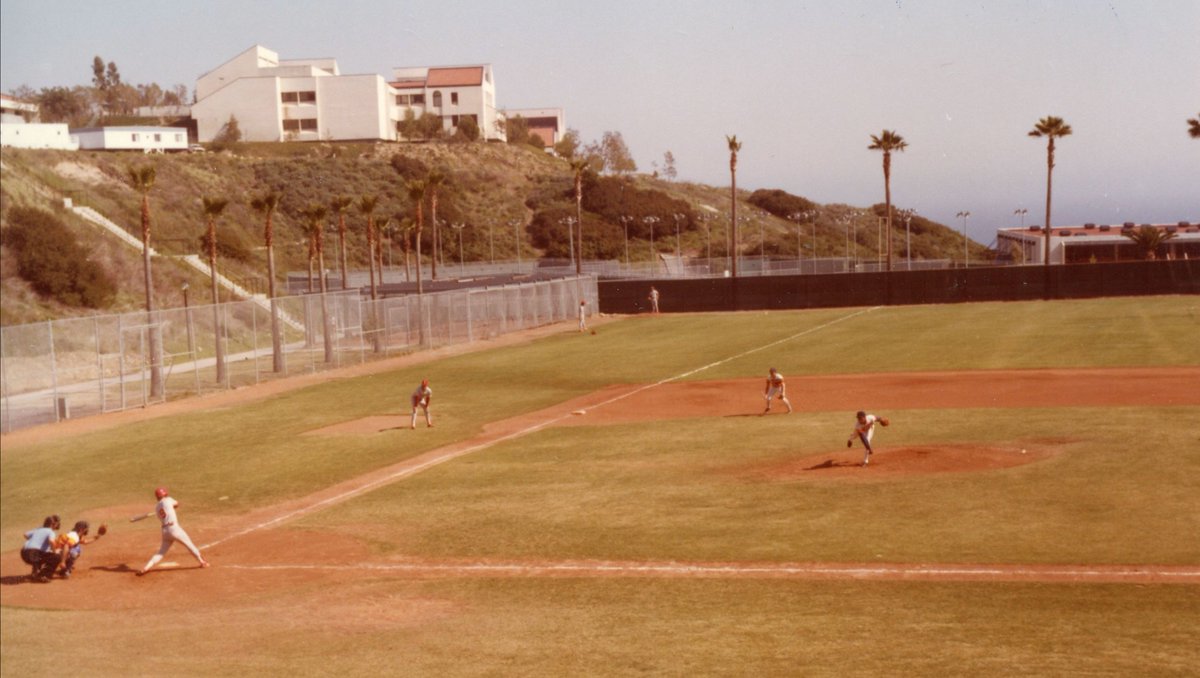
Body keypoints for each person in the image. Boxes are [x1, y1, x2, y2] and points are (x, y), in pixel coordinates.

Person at [135, 487, 209, 576]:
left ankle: (146, 567)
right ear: (165, 494)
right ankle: (202, 562)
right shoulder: (168, 500)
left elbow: (165, 513)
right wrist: (172, 507)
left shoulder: (157, 508)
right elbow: (177, 504)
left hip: (165, 532)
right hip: (174, 529)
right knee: (189, 544)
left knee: (161, 552)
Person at [21, 515, 62, 582]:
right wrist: (55, 552)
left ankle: (35, 572)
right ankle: (43, 576)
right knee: (56, 557)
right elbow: (51, 541)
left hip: (24, 553)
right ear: (53, 524)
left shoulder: (38, 529)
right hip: (34, 555)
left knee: (43, 553)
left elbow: (25, 534)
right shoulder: (50, 531)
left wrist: (35, 541)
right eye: (57, 523)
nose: (58, 524)